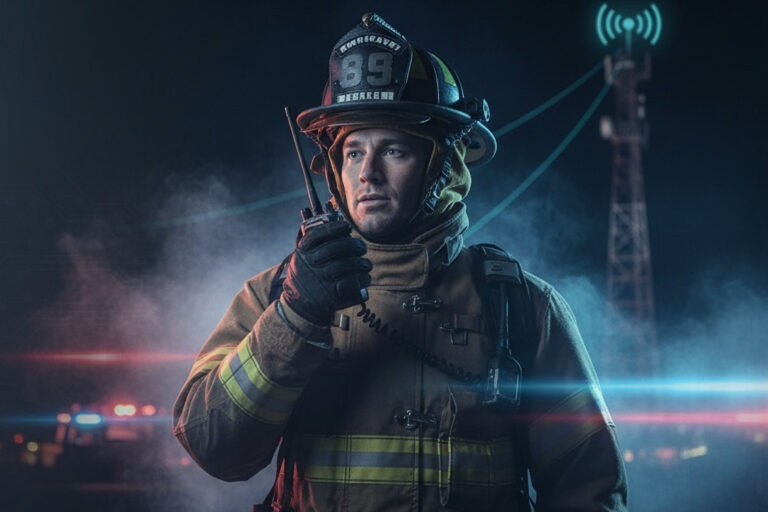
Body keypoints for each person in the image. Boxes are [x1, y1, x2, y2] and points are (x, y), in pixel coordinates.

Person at [173, 12, 627, 512]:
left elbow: (589, 490)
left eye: (393, 150)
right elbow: (214, 447)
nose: (367, 173)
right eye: (352, 153)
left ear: (442, 166)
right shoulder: (277, 294)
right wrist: (295, 320)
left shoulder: (522, 307)